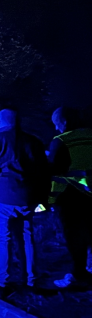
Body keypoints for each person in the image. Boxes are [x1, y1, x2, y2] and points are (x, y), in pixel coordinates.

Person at [0, 109, 49, 296]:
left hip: (1, 199)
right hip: (27, 199)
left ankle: (0, 282)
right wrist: (43, 198)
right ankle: (31, 280)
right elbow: (44, 173)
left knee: (1, 239)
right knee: (26, 237)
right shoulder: (34, 142)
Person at [47, 107, 92, 288]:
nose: (56, 128)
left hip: (71, 197)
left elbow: (54, 173)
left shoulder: (61, 141)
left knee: (75, 237)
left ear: (63, 122)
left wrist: (49, 201)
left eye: (56, 124)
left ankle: (79, 274)